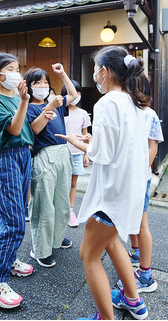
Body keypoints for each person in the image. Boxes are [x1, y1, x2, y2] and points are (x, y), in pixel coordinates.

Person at [56, 46, 150, 320]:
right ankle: (133, 301)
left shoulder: (107, 103)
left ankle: (105, 318)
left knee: (88, 255)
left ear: (105, 72)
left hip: (112, 194)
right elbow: (125, 147)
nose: (95, 74)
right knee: (109, 243)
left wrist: (79, 143)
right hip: (129, 190)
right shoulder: (133, 101)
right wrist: (93, 141)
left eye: (96, 68)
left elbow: (104, 154)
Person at [0, 52, 35, 310]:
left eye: (17, 68)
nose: (16, 73)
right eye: (10, 69)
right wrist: (25, 101)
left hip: (24, 156)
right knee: (13, 224)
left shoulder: (14, 97)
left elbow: (26, 130)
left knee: (18, 215)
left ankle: (9, 260)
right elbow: (12, 130)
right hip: (8, 159)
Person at [24, 63, 79, 268]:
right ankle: (40, 249)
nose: (42, 86)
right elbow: (35, 131)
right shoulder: (27, 106)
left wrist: (63, 74)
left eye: (46, 82)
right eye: (37, 83)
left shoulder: (54, 101)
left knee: (62, 203)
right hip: (44, 155)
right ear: (29, 86)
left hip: (63, 153)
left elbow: (73, 96)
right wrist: (49, 108)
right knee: (43, 206)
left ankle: (55, 239)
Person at [117, 73, 163, 294]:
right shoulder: (126, 111)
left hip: (139, 177)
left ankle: (146, 275)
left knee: (142, 223)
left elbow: (152, 147)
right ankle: (135, 253)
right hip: (125, 175)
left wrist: (142, 170)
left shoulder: (149, 114)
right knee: (133, 218)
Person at [61, 79, 91, 227]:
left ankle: (70, 211)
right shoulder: (60, 111)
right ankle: (60, 211)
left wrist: (86, 155)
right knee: (61, 184)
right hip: (61, 153)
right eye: (70, 92)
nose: (75, 95)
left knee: (73, 184)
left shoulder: (83, 113)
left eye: (77, 92)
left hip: (77, 153)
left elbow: (85, 136)